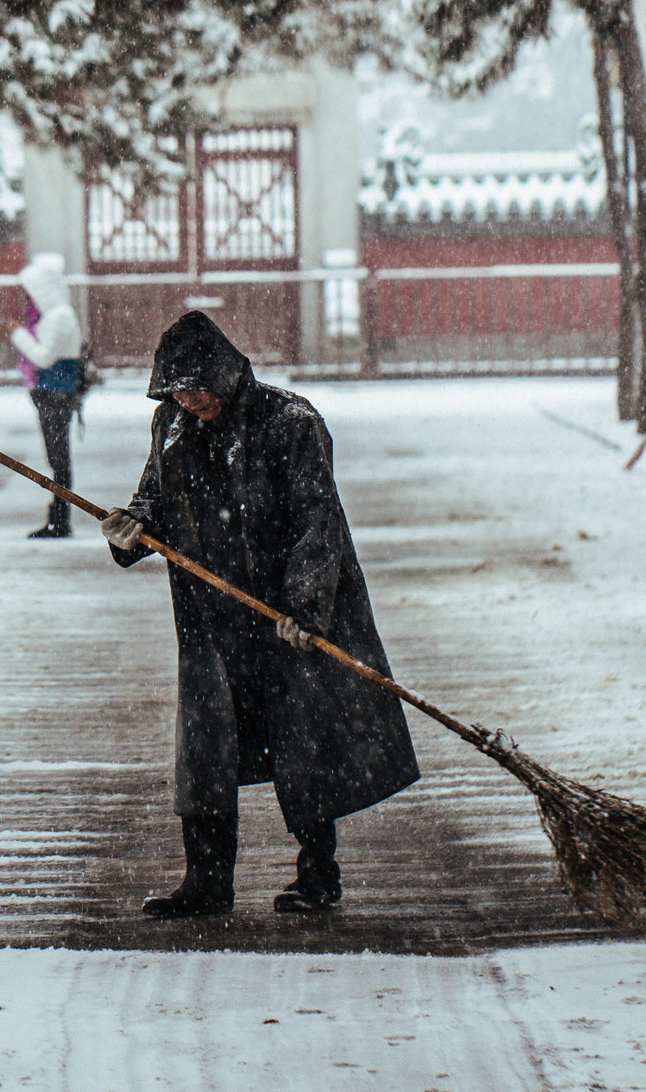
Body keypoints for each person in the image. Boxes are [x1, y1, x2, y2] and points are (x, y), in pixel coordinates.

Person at [99, 311, 420, 917]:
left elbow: (315, 524)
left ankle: (318, 876)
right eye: (177, 391)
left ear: (224, 371)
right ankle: (207, 881)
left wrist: (304, 607)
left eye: (196, 387)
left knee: (303, 745)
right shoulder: (170, 424)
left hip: (279, 616)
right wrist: (131, 529)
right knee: (206, 748)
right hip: (209, 617)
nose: (190, 401)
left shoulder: (290, 423)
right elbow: (155, 500)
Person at [11, 254, 84, 538]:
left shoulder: (59, 316)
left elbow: (43, 357)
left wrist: (18, 335)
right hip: (52, 394)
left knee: (59, 460)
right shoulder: (53, 315)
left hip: (56, 395)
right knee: (57, 459)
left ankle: (60, 519)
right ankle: (57, 517)